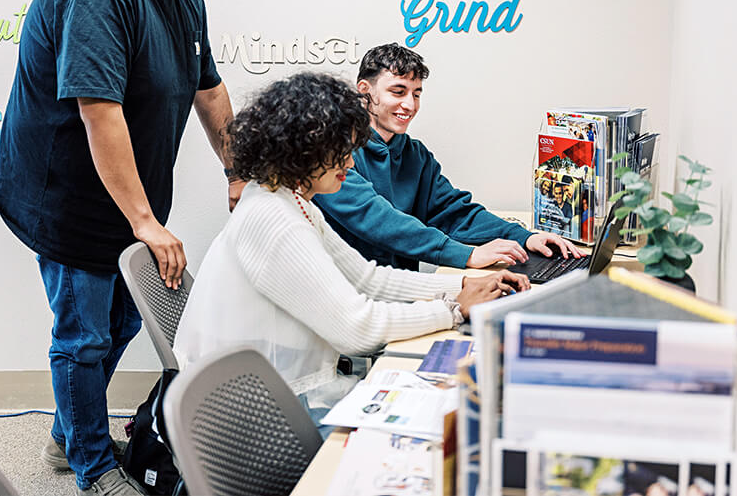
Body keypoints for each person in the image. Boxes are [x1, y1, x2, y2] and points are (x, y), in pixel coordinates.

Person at [0, 0, 243, 495]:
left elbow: (208, 90)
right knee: (84, 336)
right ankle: (92, 466)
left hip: (130, 197)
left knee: (129, 319)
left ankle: (70, 430)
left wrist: (239, 171)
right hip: (67, 195)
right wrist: (146, 222)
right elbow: (100, 112)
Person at [172, 73, 530, 431]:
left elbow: (367, 278)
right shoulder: (275, 218)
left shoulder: (290, 199)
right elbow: (356, 330)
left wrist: (466, 285)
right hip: (256, 415)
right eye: (342, 152)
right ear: (306, 149)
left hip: (276, 388)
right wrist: (454, 310)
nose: (351, 164)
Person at [314, 43, 581, 273]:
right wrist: (466, 255)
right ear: (365, 90)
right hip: (354, 298)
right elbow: (379, 221)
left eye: (416, 94)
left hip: (404, 293)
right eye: (398, 91)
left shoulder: (414, 155)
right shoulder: (335, 155)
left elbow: (454, 212)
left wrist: (525, 237)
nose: (410, 104)